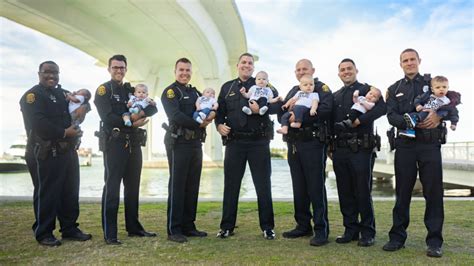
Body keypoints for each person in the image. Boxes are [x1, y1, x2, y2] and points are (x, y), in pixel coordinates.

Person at [383, 48, 448, 258]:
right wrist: (412, 121)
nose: (409, 63)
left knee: (434, 193)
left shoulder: (432, 83)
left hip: (430, 145)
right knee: (402, 193)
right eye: (405, 60)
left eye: (412, 59)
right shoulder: (394, 89)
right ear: (400, 64)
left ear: (419, 61)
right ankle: (397, 238)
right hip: (405, 146)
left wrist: (438, 117)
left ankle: (435, 242)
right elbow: (391, 116)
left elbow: (452, 100)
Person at [20, 61, 92, 246]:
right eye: (47, 72)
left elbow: (84, 101)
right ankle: (44, 232)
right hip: (47, 151)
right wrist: (64, 132)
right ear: (39, 73)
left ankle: (69, 228)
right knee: (48, 192)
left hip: (68, 151)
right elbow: (39, 123)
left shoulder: (63, 93)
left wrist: (84, 107)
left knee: (70, 191)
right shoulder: (32, 96)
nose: (51, 76)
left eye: (55, 73)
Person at [94, 54, 157, 245]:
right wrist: (134, 121)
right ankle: (110, 234)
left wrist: (140, 115)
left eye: (122, 67)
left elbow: (153, 108)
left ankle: (134, 228)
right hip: (115, 144)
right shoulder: (103, 90)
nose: (119, 70)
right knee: (112, 187)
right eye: (115, 67)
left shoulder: (132, 90)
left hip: (134, 143)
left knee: (133, 187)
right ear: (109, 69)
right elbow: (107, 117)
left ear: (126, 69)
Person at [215, 53, 277, 240]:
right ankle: (227, 227)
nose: (247, 65)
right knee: (231, 186)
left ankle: (267, 227)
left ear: (253, 66)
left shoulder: (263, 83)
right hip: (235, 143)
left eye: (250, 63)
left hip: (259, 142)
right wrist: (218, 125)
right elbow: (220, 112)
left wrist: (262, 108)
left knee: (263, 185)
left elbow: (277, 105)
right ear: (238, 65)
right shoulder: (228, 87)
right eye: (244, 62)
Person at [332, 58, 386, 247]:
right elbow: (330, 123)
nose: (346, 72)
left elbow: (382, 108)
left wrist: (359, 121)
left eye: (349, 69)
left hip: (362, 149)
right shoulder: (335, 95)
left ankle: (368, 232)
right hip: (340, 150)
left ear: (356, 70)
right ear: (339, 73)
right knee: (344, 191)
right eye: (343, 70)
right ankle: (350, 230)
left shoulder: (368, 90)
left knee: (363, 191)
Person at [279, 59, 333, 247]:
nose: (301, 72)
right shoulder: (295, 90)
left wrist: (300, 116)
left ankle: (321, 229)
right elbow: (281, 112)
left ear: (313, 70)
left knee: (315, 187)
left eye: (305, 69)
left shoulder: (321, 89)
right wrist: (289, 114)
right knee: (299, 186)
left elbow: (326, 110)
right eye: (298, 70)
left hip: (313, 143)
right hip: (294, 144)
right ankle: (303, 225)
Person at [162, 58, 210, 243]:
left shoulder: (195, 91)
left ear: (191, 72)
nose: (184, 73)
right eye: (181, 70)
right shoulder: (171, 92)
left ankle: (189, 226)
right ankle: (174, 230)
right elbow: (175, 115)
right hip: (178, 142)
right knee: (177, 185)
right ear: (175, 71)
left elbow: (208, 107)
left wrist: (209, 117)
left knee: (192, 185)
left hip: (195, 143)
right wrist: (200, 122)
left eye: (188, 70)